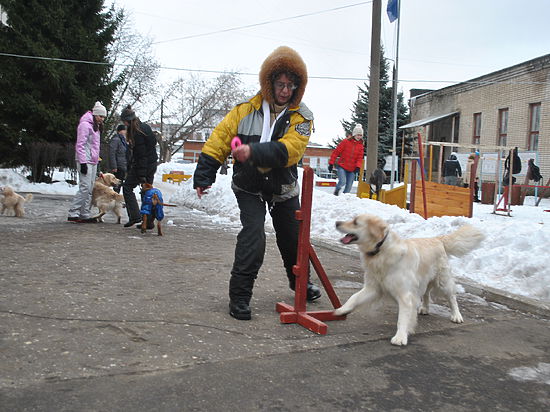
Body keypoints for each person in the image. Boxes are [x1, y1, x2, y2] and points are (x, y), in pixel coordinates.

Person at [193, 46, 321, 321]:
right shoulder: (244, 110)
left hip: (283, 188)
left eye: (291, 85)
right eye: (280, 84)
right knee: (254, 236)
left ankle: (299, 283)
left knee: (292, 238)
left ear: (298, 87)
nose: (285, 90)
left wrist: (254, 152)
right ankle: (239, 297)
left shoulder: (302, 117)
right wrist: (204, 175)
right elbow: (219, 140)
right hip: (248, 186)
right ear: (269, 83)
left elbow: (291, 151)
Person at [67, 101, 107, 223]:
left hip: (93, 161)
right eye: (100, 116)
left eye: (104, 117)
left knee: (90, 188)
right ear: (95, 114)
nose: (102, 119)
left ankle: (85, 213)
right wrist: (83, 162)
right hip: (85, 160)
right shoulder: (85, 125)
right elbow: (80, 145)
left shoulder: (96, 127)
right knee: (85, 187)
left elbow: (95, 147)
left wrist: (97, 161)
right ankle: (73, 212)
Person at [119, 105, 158, 228]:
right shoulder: (145, 127)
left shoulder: (137, 132)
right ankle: (148, 221)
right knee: (147, 192)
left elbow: (141, 154)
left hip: (143, 166)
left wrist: (141, 174)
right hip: (151, 164)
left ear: (126, 121)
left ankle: (135, 216)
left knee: (127, 187)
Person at [328, 125, 364, 195]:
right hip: (342, 166)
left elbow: (360, 158)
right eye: (358, 135)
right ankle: (336, 191)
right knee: (342, 181)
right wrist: (331, 163)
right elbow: (336, 152)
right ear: (354, 134)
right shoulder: (345, 142)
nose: (359, 137)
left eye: (360, 135)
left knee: (349, 186)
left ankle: (344, 199)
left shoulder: (360, 146)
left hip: (352, 169)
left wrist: (358, 167)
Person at [109, 124, 128, 193]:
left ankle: (117, 199)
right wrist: (114, 166)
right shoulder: (116, 140)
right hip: (118, 166)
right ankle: (115, 199)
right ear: (120, 131)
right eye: (124, 130)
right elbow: (112, 153)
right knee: (117, 185)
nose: (125, 132)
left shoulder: (123, 140)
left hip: (123, 165)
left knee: (120, 183)